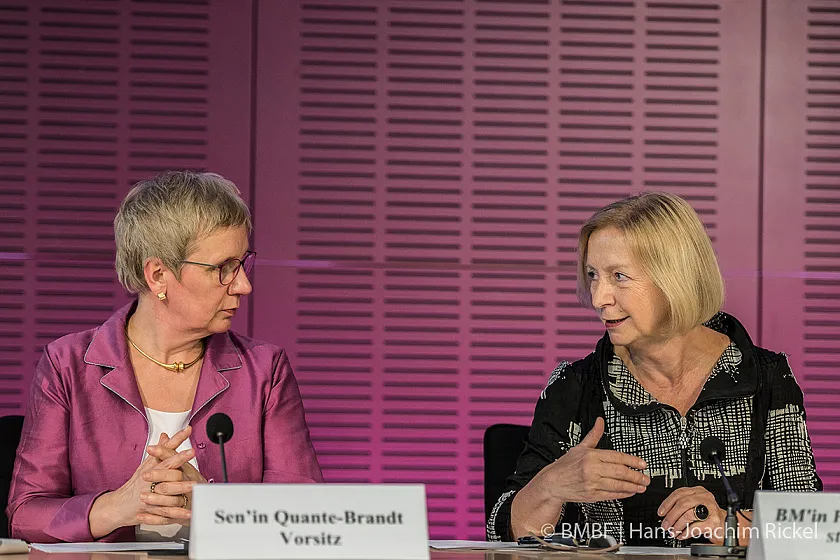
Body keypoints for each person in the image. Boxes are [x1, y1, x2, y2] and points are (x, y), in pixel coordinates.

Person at [486, 192, 822, 547]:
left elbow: (809, 532)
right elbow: (506, 533)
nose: (599, 298)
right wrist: (550, 485)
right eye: (593, 276)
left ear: (674, 278)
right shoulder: (576, 386)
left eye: (619, 277)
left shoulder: (767, 377)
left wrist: (728, 525)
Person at [7, 171, 323, 543]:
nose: (243, 285)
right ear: (158, 275)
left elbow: (305, 519)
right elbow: (26, 515)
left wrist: (210, 506)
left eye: (242, 264)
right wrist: (117, 505)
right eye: (224, 269)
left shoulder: (265, 371)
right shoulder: (68, 365)